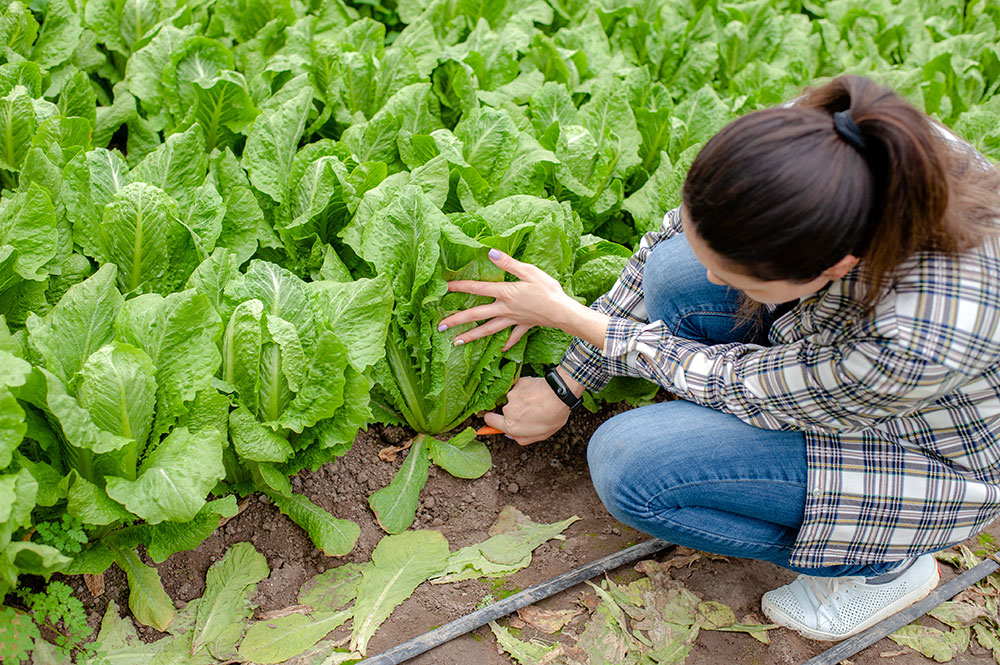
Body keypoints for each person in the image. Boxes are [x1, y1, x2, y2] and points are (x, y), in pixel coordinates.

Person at [436, 74, 1000, 641]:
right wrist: (568, 382)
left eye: (732, 275)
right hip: (826, 369)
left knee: (630, 466)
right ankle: (742, 454)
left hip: (930, 454)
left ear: (834, 265)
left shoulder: (918, 337)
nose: (714, 281)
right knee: (675, 271)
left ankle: (883, 568)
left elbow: (744, 384)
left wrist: (575, 319)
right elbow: (667, 242)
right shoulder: (820, 144)